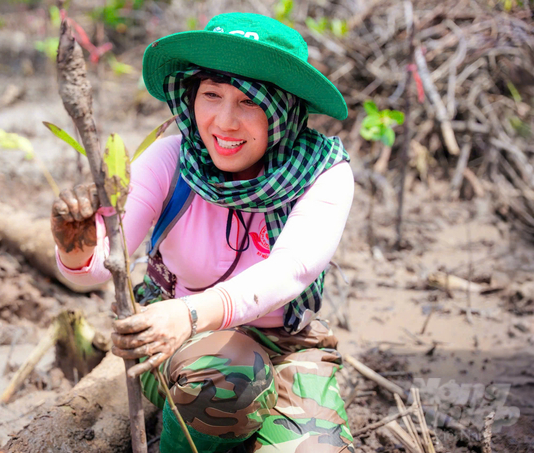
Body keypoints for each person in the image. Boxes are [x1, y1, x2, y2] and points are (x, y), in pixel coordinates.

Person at [51, 12, 355, 453]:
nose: (224, 122)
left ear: (284, 108)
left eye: (249, 102)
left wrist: (191, 312)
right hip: (180, 341)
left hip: (286, 342)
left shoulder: (322, 172)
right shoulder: (170, 160)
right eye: (211, 95)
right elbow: (95, 270)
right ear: (190, 97)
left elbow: (290, 270)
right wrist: (73, 242)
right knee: (231, 375)